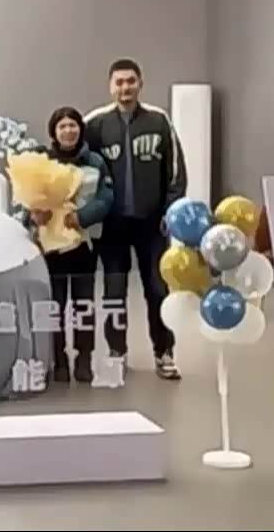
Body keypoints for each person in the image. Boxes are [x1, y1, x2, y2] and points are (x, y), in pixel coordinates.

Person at [85, 59, 187, 380]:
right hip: (112, 226)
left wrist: (170, 211)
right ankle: (117, 352)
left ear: (140, 83)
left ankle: (164, 352)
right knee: (114, 292)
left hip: (152, 224)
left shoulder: (159, 120)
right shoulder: (95, 124)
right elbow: (80, 170)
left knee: (157, 289)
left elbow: (175, 171)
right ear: (110, 86)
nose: (125, 87)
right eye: (119, 82)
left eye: (131, 81)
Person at [28, 107, 114, 383]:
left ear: (80, 129)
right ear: (53, 132)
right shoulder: (41, 162)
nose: (68, 130)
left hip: (83, 245)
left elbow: (106, 199)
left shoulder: (95, 162)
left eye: (73, 125)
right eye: (62, 126)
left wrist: (82, 217)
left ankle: (84, 358)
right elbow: (27, 198)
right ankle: (59, 359)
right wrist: (34, 214)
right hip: (51, 248)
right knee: (54, 305)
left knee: (83, 305)